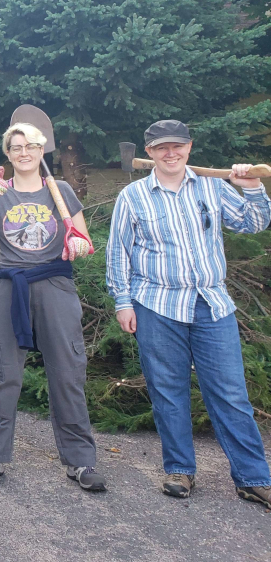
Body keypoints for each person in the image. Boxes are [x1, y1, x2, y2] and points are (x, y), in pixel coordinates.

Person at [106, 119, 271, 509]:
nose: (170, 153)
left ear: (189, 147)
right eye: (162, 147)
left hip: (212, 304)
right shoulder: (133, 196)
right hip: (156, 306)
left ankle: (253, 478)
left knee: (230, 393)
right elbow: (118, 252)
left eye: (177, 146)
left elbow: (255, 223)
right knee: (168, 391)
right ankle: (179, 469)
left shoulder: (213, 187)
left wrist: (251, 187)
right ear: (149, 152)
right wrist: (122, 302)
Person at [0, 122, 104, 492]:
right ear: (8, 153)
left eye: (30, 146)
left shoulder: (60, 190)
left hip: (54, 285)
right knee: (4, 374)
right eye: (16, 147)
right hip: (8, 286)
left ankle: (80, 462)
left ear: (41, 151)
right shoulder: (0, 191)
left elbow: (82, 238)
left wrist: (79, 245)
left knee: (67, 372)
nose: (23, 153)